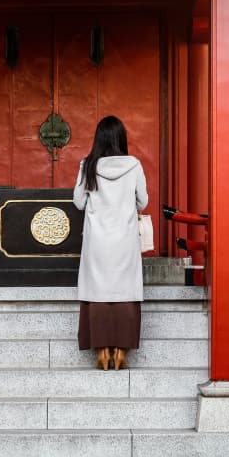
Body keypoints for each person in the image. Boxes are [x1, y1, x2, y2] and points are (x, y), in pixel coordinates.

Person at [73, 115, 149, 371]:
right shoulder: (134, 165)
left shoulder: (88, 165)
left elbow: (78, 202)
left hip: (97, 240)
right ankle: (121, 353)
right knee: (124, 290)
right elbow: (143, 202)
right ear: (121, 139)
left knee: (98, 291)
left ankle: (102, 352)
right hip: (125, 238)